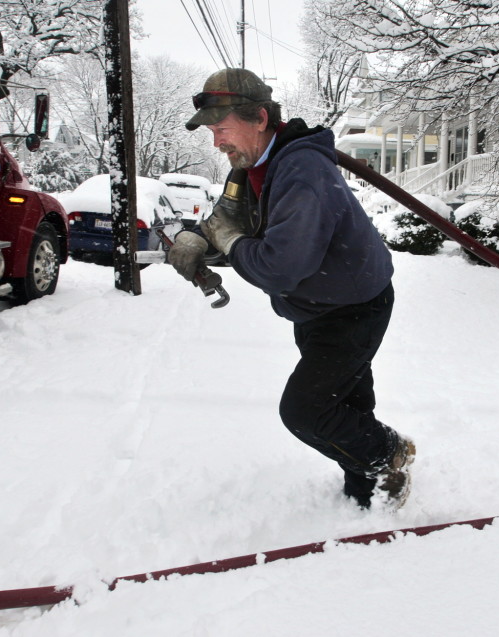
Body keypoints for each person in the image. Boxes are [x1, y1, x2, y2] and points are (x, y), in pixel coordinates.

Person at [167, 68, 415, 510]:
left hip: (353, 307)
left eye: (221, 128)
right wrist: (199, 238)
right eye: (211, 131)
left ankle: (391, 454)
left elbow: (279, 267)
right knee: (347, 403)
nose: (216, 141)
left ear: (259, 118)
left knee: (307, 411)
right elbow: (231, 221)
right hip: (319, 304)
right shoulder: (253, 166)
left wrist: (226, 241)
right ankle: (365, 491)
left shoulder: (301, 170)